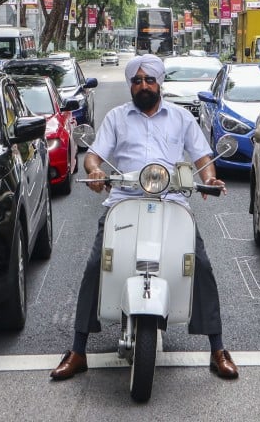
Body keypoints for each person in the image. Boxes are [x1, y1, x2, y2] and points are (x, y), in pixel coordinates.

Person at [50, 54, 239, 382]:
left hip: (171, 201)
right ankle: (78, 349)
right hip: (124, 200)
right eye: (136, 81)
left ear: (159, 82)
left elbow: (202, 155)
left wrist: (208, 179)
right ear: (130, 85)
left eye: (149, 80)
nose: (143, 86)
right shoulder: (117, 118)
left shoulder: (180, 118)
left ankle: (218, 348)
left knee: (202, 266)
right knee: (96, 265)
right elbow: (93, 157)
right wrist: (94, 172)